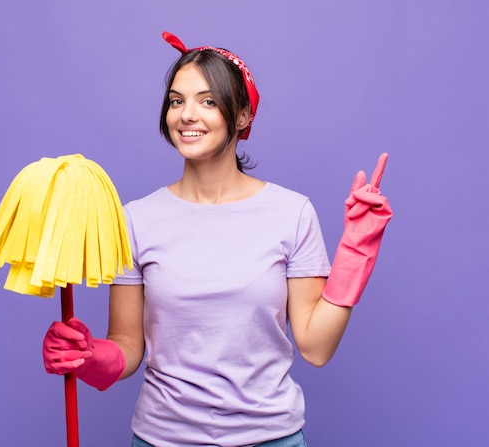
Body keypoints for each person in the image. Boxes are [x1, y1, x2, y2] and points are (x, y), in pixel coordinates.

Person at [43, 31, 392, 447]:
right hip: (161, 439)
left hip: (271, 439)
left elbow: (316, 348)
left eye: (207, 101)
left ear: (242, 116)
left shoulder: (291, 213)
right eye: (177, 100)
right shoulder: (135, 219)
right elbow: (128, 347)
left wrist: (357, 248)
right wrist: (87, 357)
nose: (187, 114)